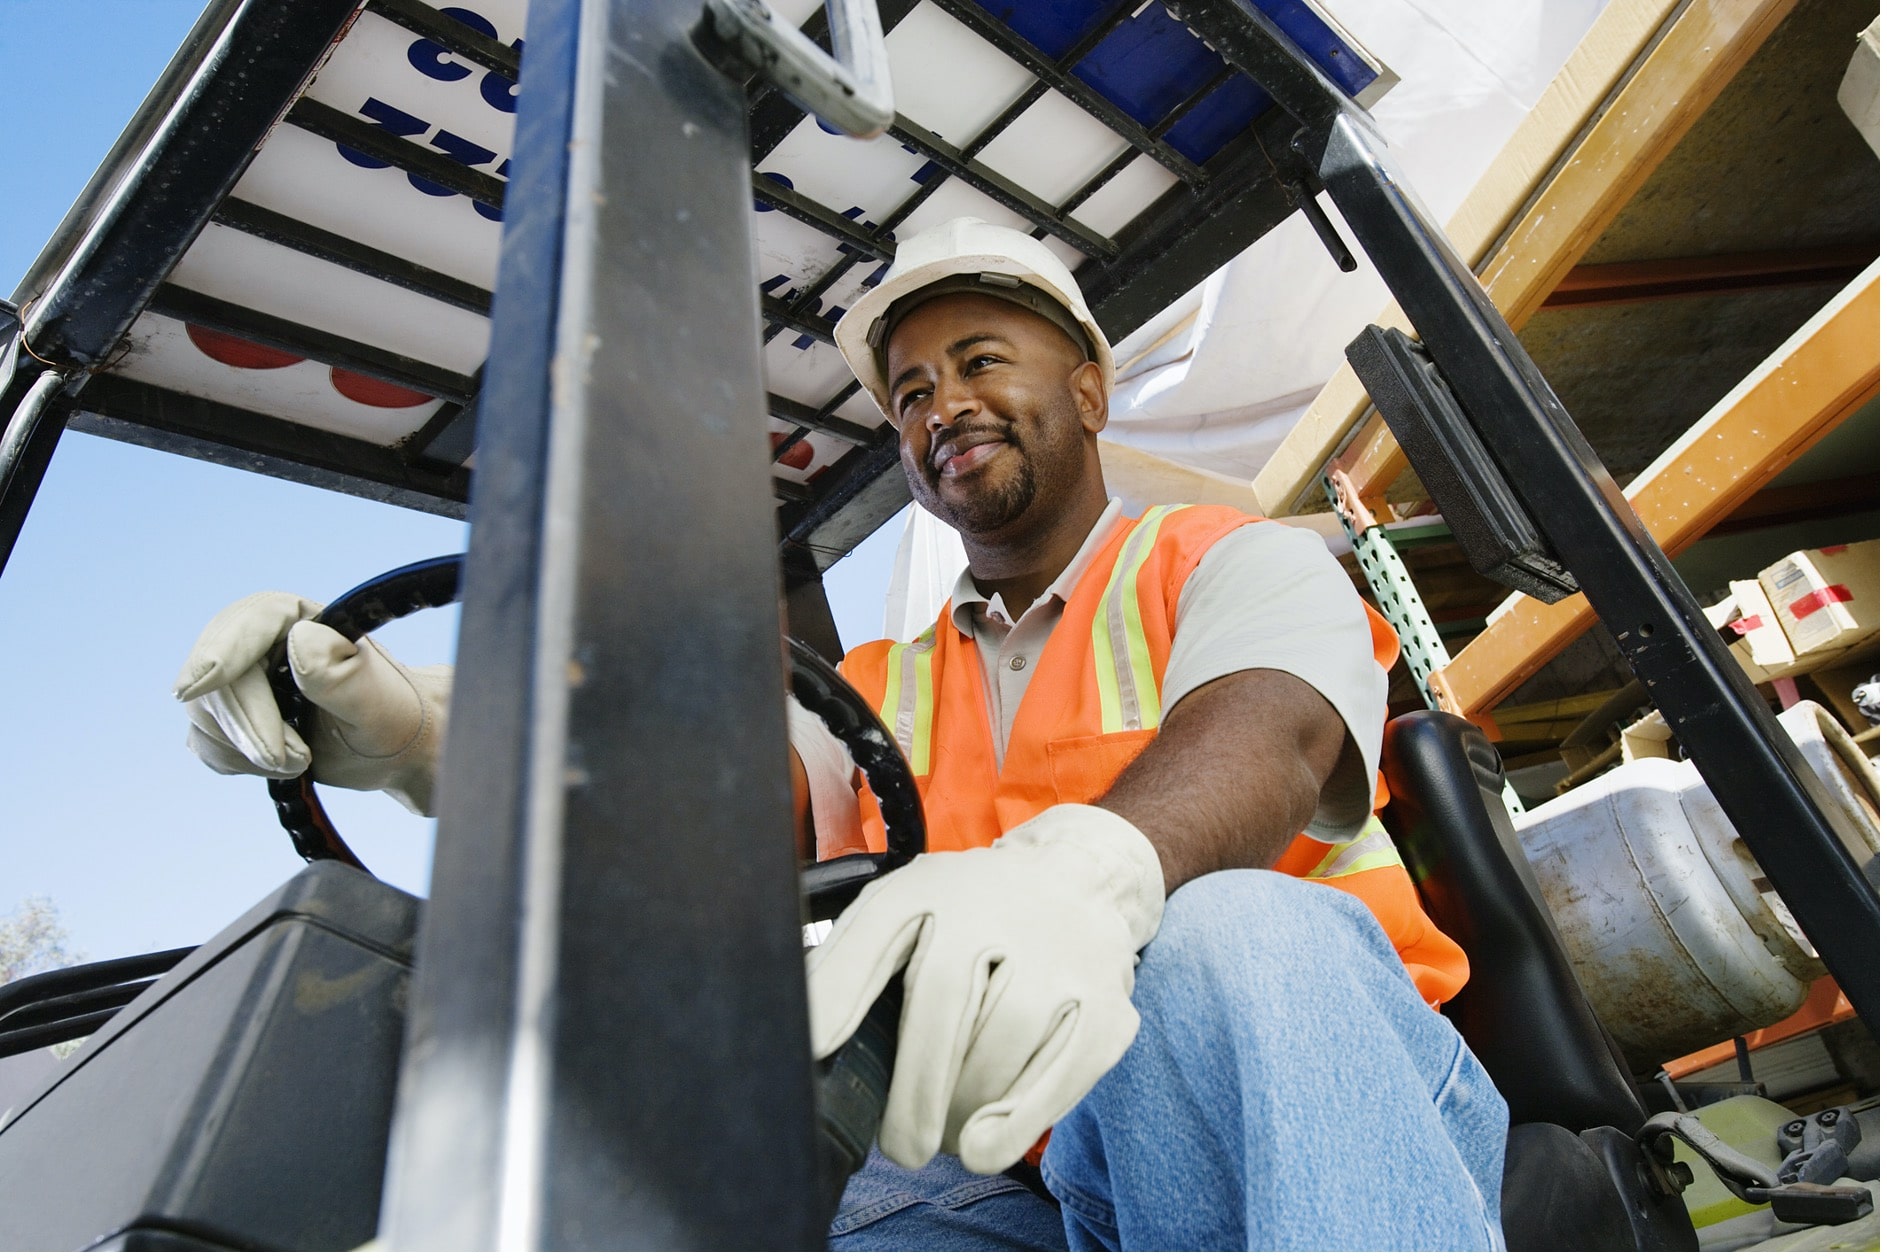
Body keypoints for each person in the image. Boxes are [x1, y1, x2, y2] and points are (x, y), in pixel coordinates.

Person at [176, 218, 1508, 1250]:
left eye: (982, 362)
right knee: (723, 1164)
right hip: (1016, 1172)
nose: (942, 407)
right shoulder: (868, 683)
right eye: (913, 392)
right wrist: (421, 734)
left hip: (1312, 1109)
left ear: (1093, 389)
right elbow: (691, 802)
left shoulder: (1229, 558)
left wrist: (1089, 877)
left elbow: (1270, 733)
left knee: (1228, 936)